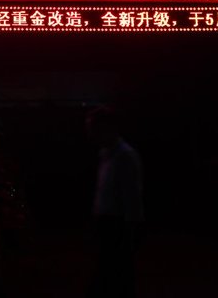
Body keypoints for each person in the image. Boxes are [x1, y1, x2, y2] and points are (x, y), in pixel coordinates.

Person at [85, 105, 144, 298]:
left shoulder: (123, 156)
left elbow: (131, 196)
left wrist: (131, 227)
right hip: (109, 223)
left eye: (94, 130)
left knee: (114, 274)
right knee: (112, 274)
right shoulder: (108, 155)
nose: (91, 135)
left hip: (116, 225)